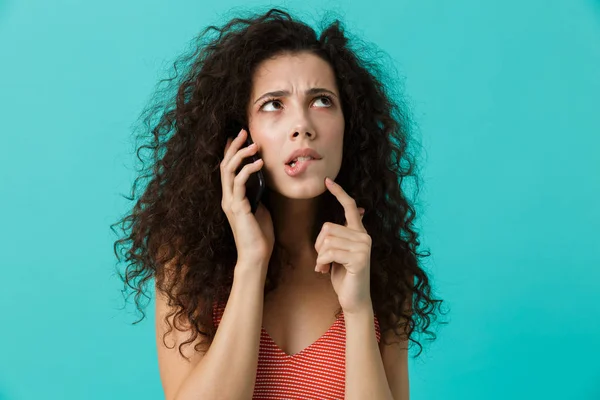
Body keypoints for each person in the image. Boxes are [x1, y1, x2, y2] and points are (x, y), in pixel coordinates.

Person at [112, 7, 446, 400]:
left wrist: (358, 311)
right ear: (239, 133)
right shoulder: (185, 261)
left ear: (349, 127)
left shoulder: (386, 269)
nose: (302, 124)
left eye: (322, 101)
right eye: (274, 104)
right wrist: (251, 262)